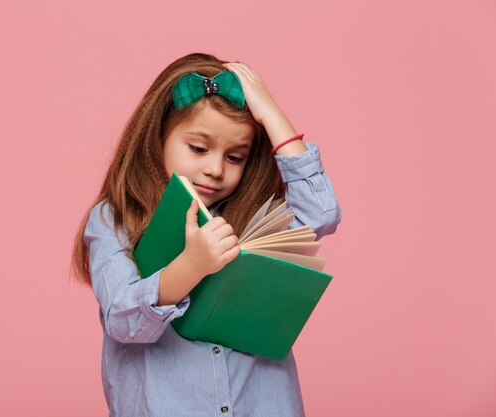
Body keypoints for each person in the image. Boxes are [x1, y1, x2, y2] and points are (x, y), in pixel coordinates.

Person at [71, 52, 342, 417]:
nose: (215, 169)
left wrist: (270, 113)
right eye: (198, 149)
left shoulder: (251, 221)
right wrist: (191, 265)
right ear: (158, 136)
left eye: (235, 157)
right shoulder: (115, 218)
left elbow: (321, 213)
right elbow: (123, 319)